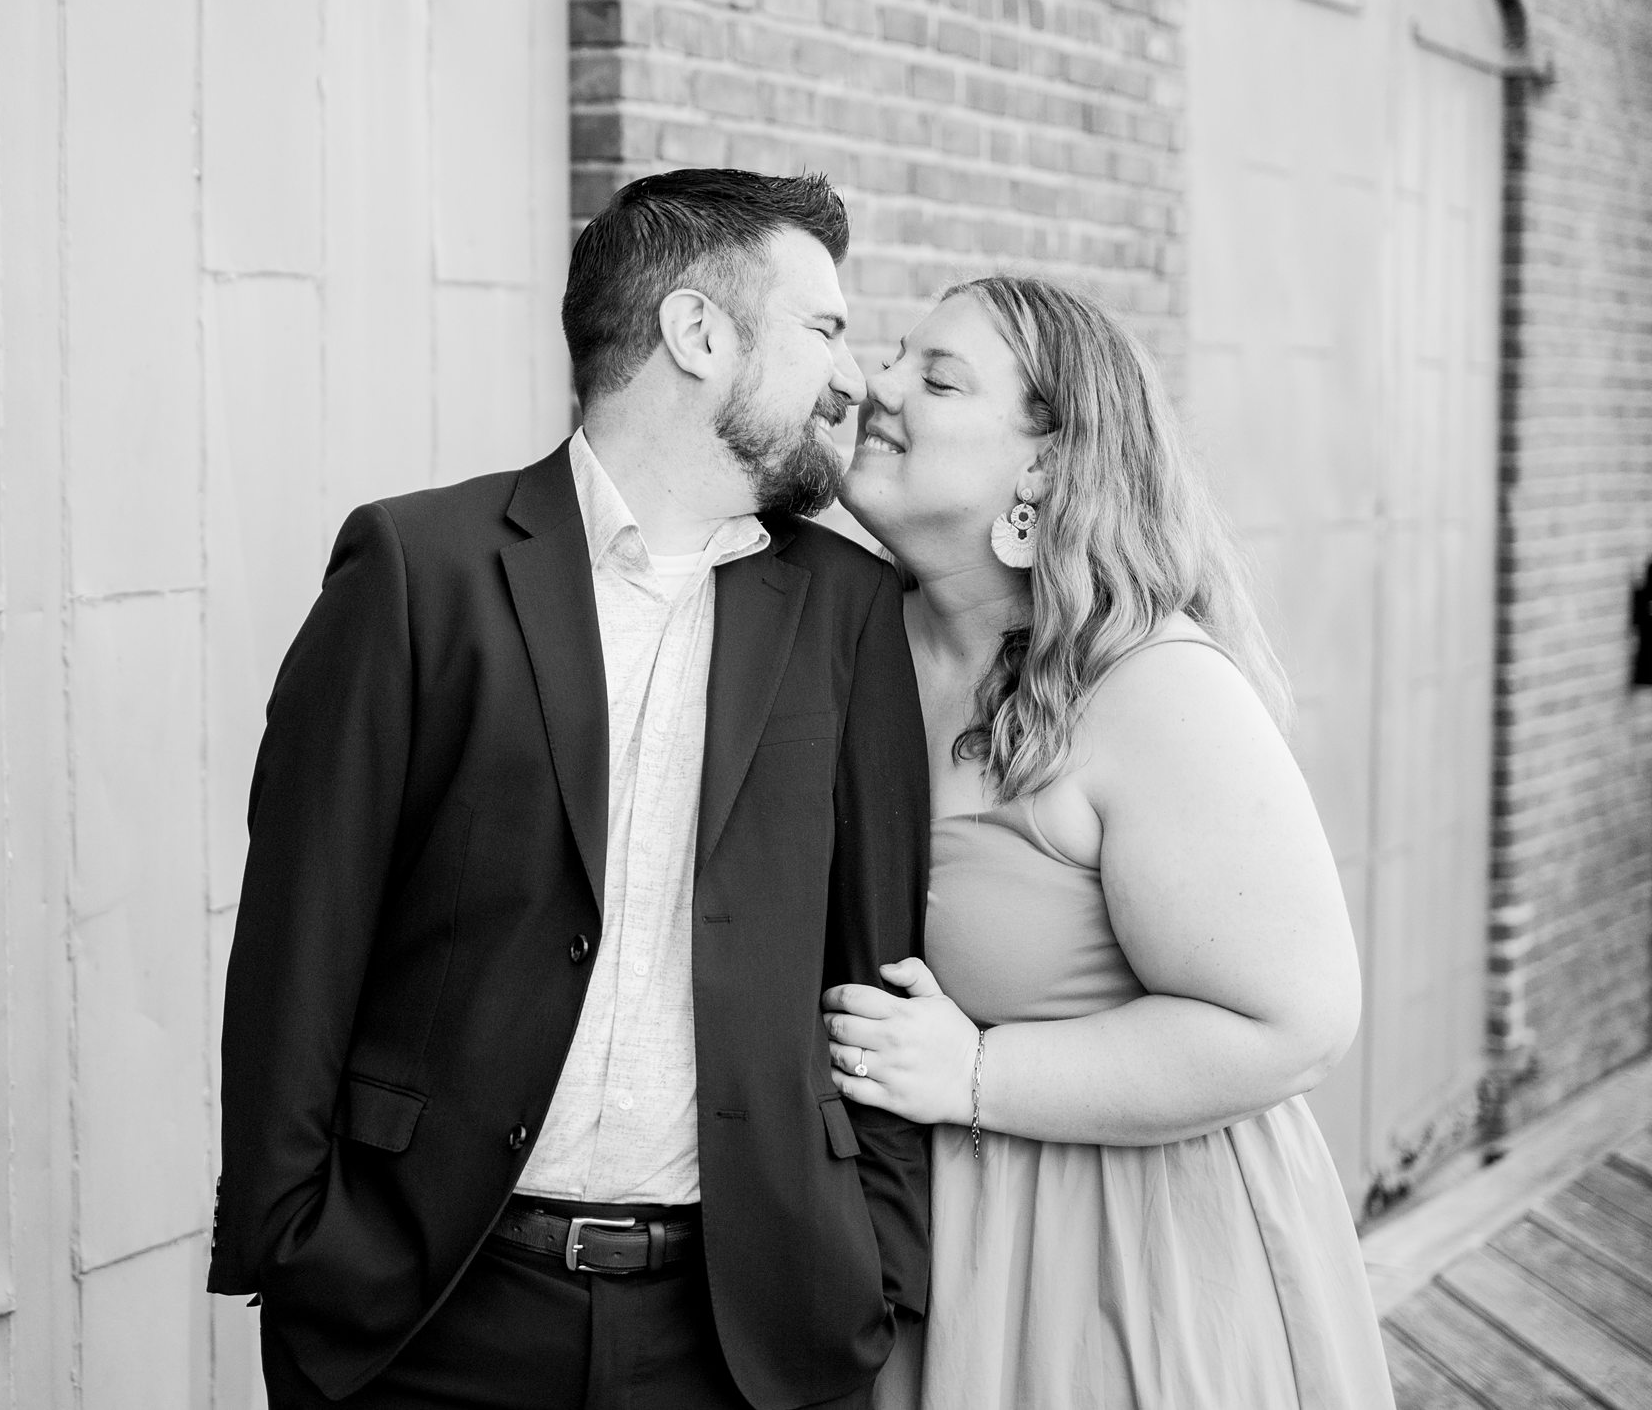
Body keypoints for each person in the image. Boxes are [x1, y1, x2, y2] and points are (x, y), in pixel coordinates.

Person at [209, 169, 933, 1410]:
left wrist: (880, 1270)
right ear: (698, 334)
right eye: (824, 329)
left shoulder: (850, 614)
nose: (853, 377)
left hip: (740, 1341)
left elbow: (873, 963)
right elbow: (300, 934)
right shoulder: (418, 571)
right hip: (427, 1319)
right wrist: (297, 1243)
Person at [821, 276, 1395, 1408]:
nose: (875, 386)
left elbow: (1296, 1019)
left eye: (936, 377)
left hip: (1135, 1266)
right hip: (926, 1257)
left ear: (1045, 467)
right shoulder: (844, 643)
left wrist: (980, 1071)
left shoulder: (1149, 688)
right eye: (893, 355)